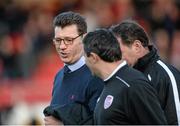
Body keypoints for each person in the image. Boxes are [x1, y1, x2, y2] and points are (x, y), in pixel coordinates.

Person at [82, 28, 167, 124]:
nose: (84, 62)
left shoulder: (133, 84)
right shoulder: (109, 83)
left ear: (93, 57)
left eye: (84, 57)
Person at [111, 20, 180, 125]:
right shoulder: (121, 77)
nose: (116, 59)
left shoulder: (165, 75)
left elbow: (176, 120)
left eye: (119, 52)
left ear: (137, 46)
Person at [43, 11, 103, 125]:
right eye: (58, 40)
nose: (62, 46)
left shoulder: (96, 76)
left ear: (84, 38)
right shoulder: (59, 76)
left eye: (69, 40)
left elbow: (99, 123)